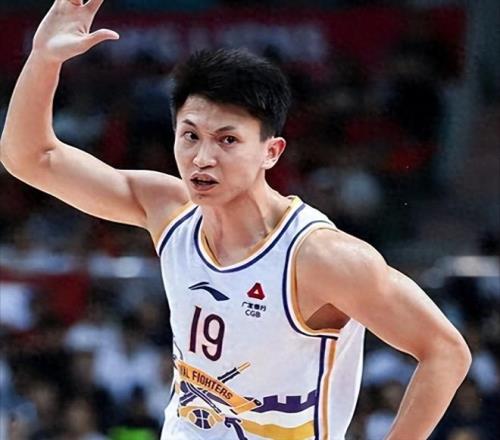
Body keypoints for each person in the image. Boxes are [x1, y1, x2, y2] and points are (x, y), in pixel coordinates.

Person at [0, 1, 471, 439]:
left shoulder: (320, 257)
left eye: (227, 140)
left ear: (271, 151)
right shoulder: (168, 209)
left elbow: (445, 352)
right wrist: (44, 59)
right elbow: (30, 158)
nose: (202, 158)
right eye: (190, 136)